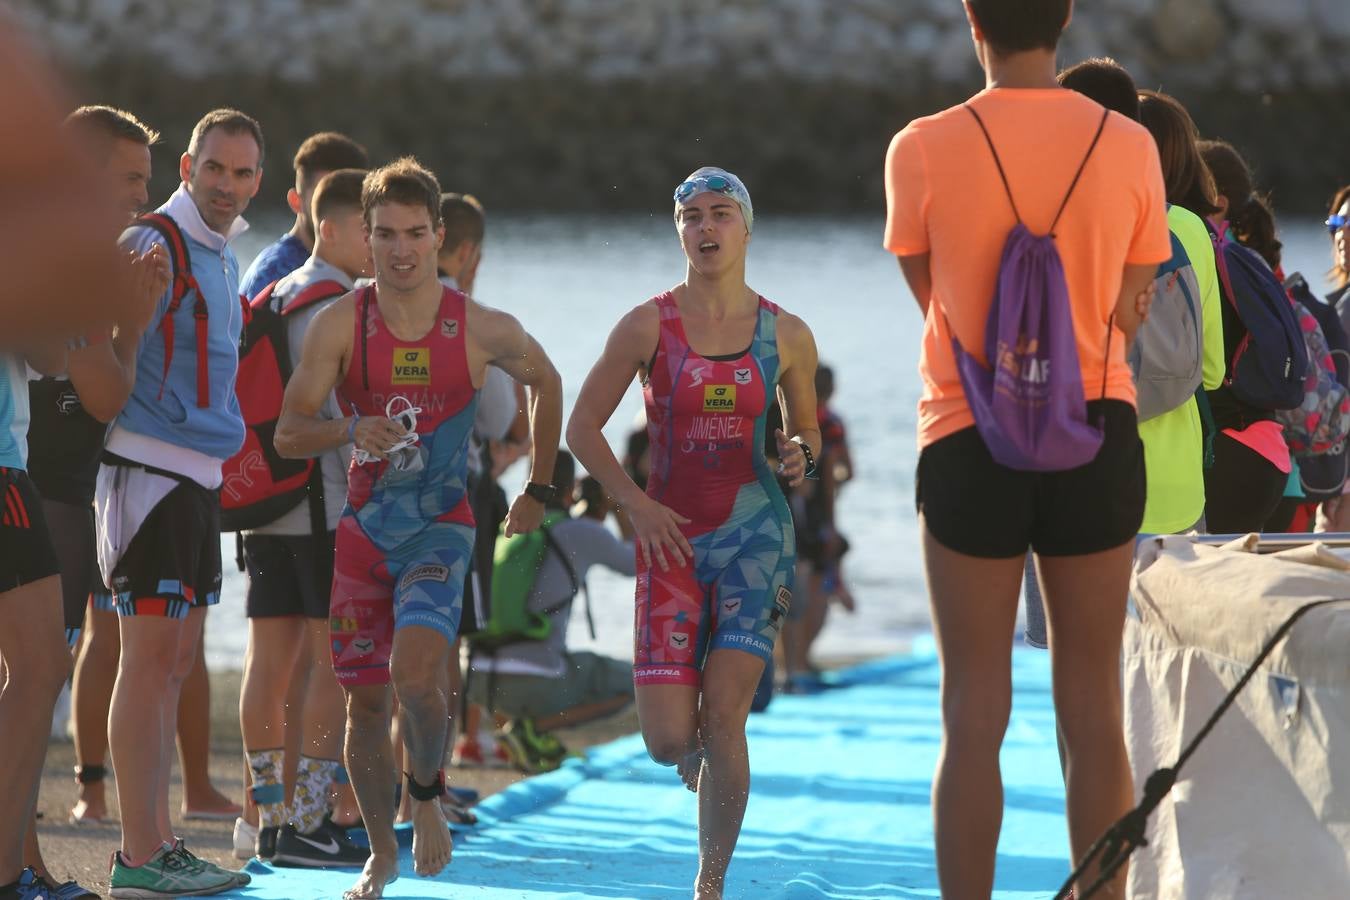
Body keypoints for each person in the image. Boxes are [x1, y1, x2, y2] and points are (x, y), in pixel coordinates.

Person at [884, 3, 1171, 897]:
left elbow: (933, 298)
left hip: (971, 434)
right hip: (1095, 427)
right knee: (1093, 708)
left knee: (972, 710)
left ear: (974, 18)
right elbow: (1131, 309)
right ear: (1067, 16)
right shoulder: (1130, 145)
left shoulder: (920, 146)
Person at [275, 157, 562, 900]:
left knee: (417, 678)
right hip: (363, 535)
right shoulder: (342, 323)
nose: (399, 249)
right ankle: (379, 851)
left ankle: (427, 795)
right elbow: (286, 433)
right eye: (384, 235)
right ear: (363, 240)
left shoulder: (480, 327)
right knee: (365, 702)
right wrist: (346, 428)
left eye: (413, 233)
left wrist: (540, 486)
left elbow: (548, 381)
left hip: (442, 526)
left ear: (440, 236)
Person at [568, 166, 820, 900]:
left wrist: (801, 453)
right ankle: (692, 752)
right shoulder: (648, 324)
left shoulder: (786, 333)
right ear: (677, 230)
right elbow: (583, 429)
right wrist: (634, 505)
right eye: (691, 217)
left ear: (746, 228)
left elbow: (805, 435)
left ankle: (709, 884)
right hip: (670, 542)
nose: (705, 229)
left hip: (755, 538)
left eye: (720, 215)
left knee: (726, 717)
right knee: (670, 740)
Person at [97, 108, 263, 897]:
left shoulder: (225, 255)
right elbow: (106, 368)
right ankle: (137, 851)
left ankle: (160, 841)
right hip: (149, 476)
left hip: (198, 479)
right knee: (149, 661)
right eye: (216, 169)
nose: (227, 186)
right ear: (188, 166)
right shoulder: (152, 244)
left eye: (243, 173)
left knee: (176, 668)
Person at [235, 168, 373, 868]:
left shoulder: (272, 292)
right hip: (322, 506)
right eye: (368, 230)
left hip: (262, 507)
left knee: (266, 660)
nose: (379, 245)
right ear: (331, 228)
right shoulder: (337, 303)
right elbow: (337, 416)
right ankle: (311, 822)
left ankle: (268, 818)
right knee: (332, 665)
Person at [467, 450, 636, 772]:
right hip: (536, 679)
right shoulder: (580, 532)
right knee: (633, 685)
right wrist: (617, 506)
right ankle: (531, 730)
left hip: (478, 680)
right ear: (571, 488)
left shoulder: (511, 524)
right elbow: (636, 561)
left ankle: (522, 735)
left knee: (535, 659)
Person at [238, 132, 369, 301]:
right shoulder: (273, 274)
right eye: (323, 196)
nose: (338, 209)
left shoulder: (358, 269)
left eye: (355, 199)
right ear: (295, 201)